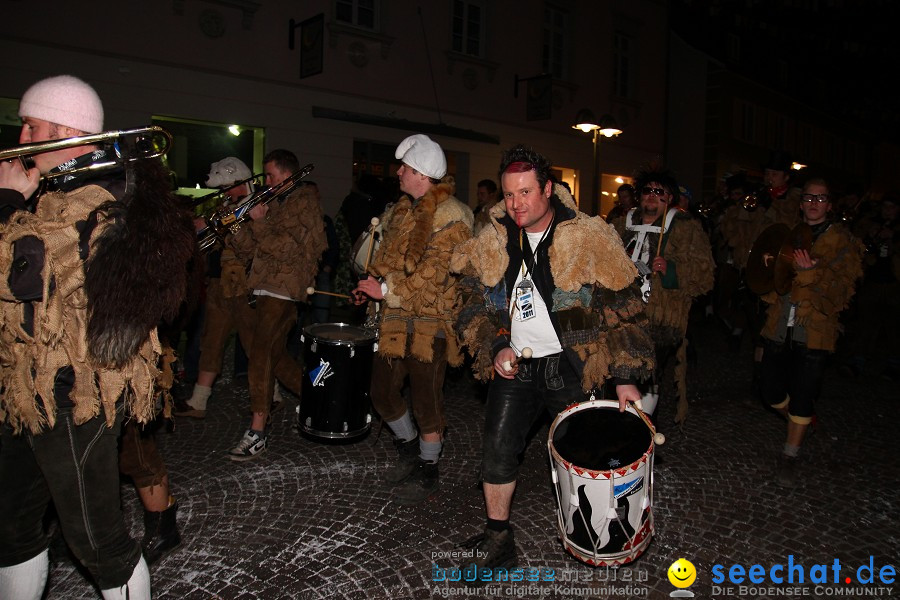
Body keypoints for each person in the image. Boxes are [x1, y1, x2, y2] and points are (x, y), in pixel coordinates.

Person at [0, 75, 194, 599]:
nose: (21, 140)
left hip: (74, 393)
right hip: (30, 386)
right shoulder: (54, 192)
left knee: (97, 540)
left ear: (62, 131)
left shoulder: (98, 196)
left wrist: (6, 206)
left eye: (31, 126)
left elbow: (25, 279)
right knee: (11, 527)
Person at [449, 145, 654, 576]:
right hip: (516, 367)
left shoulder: (587, 236)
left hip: (571, 365)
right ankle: (498, 539)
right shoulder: (492, 241)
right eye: (508, 195)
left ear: (548, 189)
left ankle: (602, 535)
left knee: (590, 455)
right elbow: (469, 304)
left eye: (525, 193)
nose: (516, 204)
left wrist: (624, 376)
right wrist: (495, 345)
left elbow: (625, 308)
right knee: (498, 451)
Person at [352, 134, 473, 505]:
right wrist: (371, 286)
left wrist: (386, 291)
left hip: (430, 323)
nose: (398, 173)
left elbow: (436, 277)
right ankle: (408, 447)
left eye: (404, 168)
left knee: (426, 401)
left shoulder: (454, 215)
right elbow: (386, 259)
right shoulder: (402, 210)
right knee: (382, 391)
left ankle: (428, 467)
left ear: (421, 173)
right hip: (393, 319)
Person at [757, 178, 864, 487]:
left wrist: (810, 272)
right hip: (779, 326)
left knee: (804, 394)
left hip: (814, 330)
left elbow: (841, 291)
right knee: (770, 390)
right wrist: (770, 263)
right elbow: (771, 279)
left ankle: (790, 454)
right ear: (801, 202)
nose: (814, 203)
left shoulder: (843, 241)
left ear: (829, 205)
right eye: (808, 198)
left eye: (821, 198)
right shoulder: (789, 234)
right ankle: (799, 421)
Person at [224, 149, 326, 460]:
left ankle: (257, 430)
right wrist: (234, 226)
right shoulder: (275, 203)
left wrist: (258, 222)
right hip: (263, 286)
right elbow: (252, 251)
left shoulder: (305, 201)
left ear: (285, 173)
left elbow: (286, 248)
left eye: (270, 175)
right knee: (276, 357)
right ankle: (318, 401)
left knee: (261, 353)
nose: (266, 181)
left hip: (284, 289)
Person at [611, 166, 714, 424]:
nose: (652, 196)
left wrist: (672, 270)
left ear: (669, 198)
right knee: (617, 370)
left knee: (647, 371)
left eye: (660, 192)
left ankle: (641, 429)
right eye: (648, 190)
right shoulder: (621, 224)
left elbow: (705, 275)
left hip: (659, 317)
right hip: (619, 313)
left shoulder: (686, 228)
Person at [173, 158, 263, 420]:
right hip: (217, 283)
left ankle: (270, 395)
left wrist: (221, 224)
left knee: (253, 345)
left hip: (243, 285)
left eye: (228, 188)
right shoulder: (225, 206)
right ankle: (199, 400)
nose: (224, 194)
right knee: (210, 342)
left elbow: (251, 247)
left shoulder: (258, 206)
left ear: (240, 183)